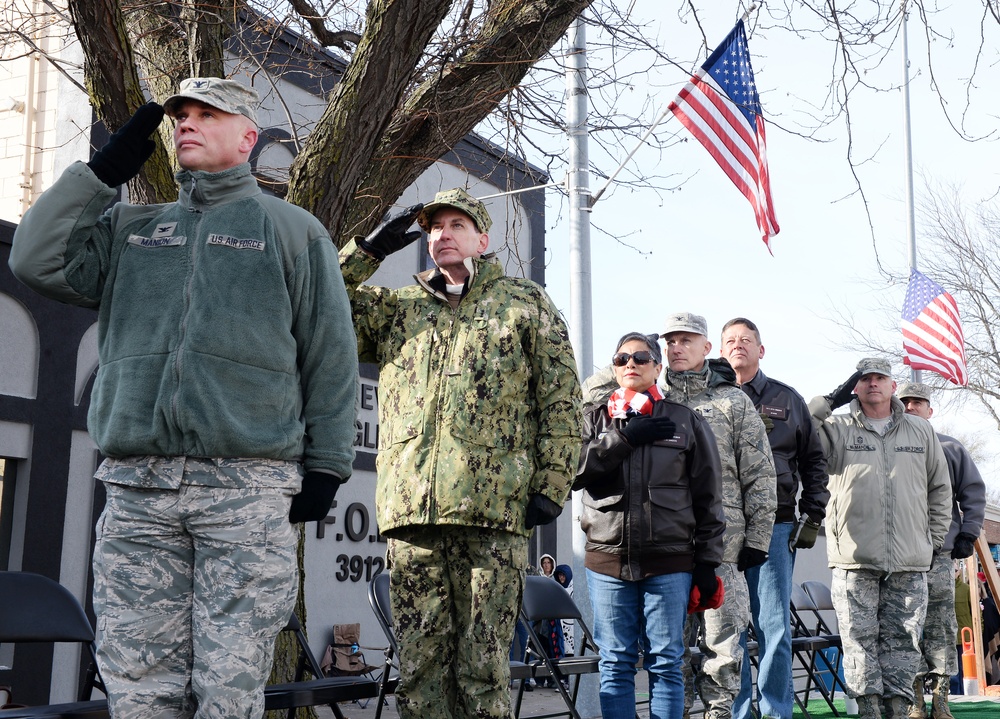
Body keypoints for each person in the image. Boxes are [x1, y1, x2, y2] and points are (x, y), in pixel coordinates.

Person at [8, 77, 359, 718]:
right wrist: (101, 174)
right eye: (181, 116)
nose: (188, 124)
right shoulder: (131, 229)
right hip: (140, 492)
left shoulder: (292, 232)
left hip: (246, 494)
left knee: (228, 691)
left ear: (248, 136)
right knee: (139, 689)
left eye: (207, 114)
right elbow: (35, 261)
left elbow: (330, 357)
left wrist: (328, 467)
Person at [338, 187, 582, 719]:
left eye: (455, 225)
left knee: (482, 669)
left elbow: (562, 400)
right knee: (420, 671)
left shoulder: (523, 303)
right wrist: (368, 251)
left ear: (482, 238)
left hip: (490, 515)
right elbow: (317, 302)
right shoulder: (396, 310)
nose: (440, 235)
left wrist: (550, 485)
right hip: (413, 516)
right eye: (432, 228)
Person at [582, 313, 776, 719]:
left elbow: (754, 475)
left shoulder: (727, 401)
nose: (676, 347)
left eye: (685, 340)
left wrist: (756, 538)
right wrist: (630, 367)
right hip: (619, 552)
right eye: (669, 341)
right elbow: (574, 458)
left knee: (718, 650)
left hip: (711, 549)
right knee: (636, 662)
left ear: (707, 347)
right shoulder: (605, 409)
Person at [576, 331, 726, 719]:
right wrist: (622, 439)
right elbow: (569, 472)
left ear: (658, 368)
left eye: (641, 358)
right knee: (615, 662)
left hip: (669, 563)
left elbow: (708, 495)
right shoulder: (593, 418)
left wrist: (708, 562)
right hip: (607, 562)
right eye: (622, 358)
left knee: (665, 661)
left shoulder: (684, 419)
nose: (631, 364)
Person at [809, 359, 952, 719]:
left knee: (903, 643)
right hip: (854, 560)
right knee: (859, 645)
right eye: (865, 378)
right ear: (855, 387)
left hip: (909, 561)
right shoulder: (836, 428)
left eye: (880, 378)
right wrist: (829, 400)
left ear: (892, 385)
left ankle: (899, 710)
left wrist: (932, 540)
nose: (873, 384)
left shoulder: (920, 431)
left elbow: (940, 489)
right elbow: (799, 430)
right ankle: (869, 712)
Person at [720, 318, 829, 719]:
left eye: (746, 340)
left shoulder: (787, 399)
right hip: (723, 527)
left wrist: (812, 512)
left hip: (776, 524)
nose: (738, 346)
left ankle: (776, 711)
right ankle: (738, 711)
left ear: (760, 350)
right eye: (730, 340)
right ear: (720, 350)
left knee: (774, 627)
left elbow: (813, 460)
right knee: (727, 628)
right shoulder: (712, 397)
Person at [895, 381, 986, 719]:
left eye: (918, 402)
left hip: (938, 557)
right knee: (907, 629)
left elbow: (973, 493)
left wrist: (968, 533)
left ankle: (941, 699)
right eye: (904, 402)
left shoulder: (950, 448)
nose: (910, 407)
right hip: (901, 558)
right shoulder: (887, 449)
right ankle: (915, 700)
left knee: (941, 627)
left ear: (930, 410)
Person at [555, 564, 576, 656]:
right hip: (560, 625)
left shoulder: (575, 589)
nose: (561, 578)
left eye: (563, 575)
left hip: (572, 625)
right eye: (559, 575)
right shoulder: (557, 589)